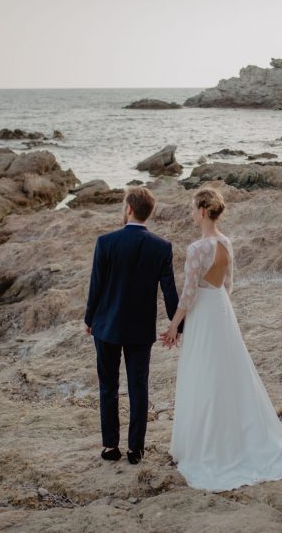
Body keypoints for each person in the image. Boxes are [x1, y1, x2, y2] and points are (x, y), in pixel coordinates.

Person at [160, 187, 282, 491]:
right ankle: (239, 436)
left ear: (201, 211)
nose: (190, 213)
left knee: (203, 374)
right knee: (230, 374)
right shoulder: (226, 242)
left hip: (204, 315)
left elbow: (188, 293)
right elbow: (229, 284)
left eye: (191, 208)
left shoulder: (198, 249)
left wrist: (173, 326)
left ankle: (207, 445)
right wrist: (219, 307)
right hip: (222, 311)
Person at [85, 186, 181, 465]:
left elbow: (96, 287)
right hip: (140, 330)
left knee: (108, 386)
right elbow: (169, 291)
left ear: (129, 208)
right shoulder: (161, 247)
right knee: (139, 387)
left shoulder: (106, 242)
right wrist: (177, 326)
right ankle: (135, 449)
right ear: (147, 212)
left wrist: (89, 319)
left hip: (107, 326)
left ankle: (109, 446)